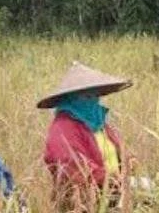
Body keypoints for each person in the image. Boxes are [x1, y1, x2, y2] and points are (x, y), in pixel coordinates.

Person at [39, 62, 132, 201]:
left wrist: (129, 162)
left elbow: (119, 151)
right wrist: (110, 180)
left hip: (114, 192)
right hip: (85, 201)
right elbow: (72, 167)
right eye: (86, 97)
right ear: (71, 98)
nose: (93, 100)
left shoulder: (97, 122)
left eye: (94, 96)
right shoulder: (63, 128)